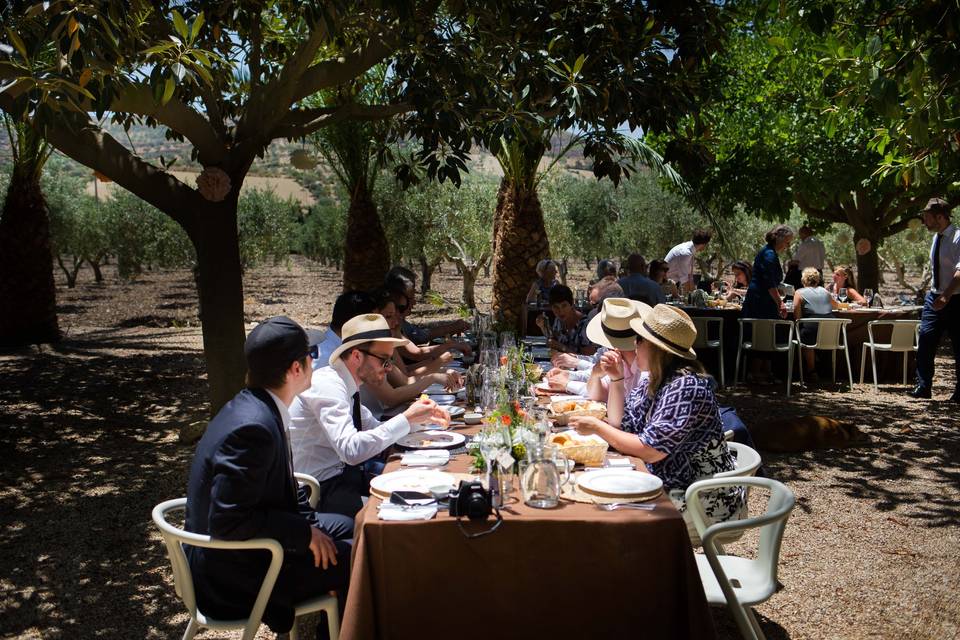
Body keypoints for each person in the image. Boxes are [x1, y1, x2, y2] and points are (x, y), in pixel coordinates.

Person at [185, 316, 353, 636]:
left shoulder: (259, 406)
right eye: (311, 355)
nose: (314, 361)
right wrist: (304, 535)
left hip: (247, 551)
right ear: (296, 369)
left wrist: (309, 526)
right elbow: (228, 521)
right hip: (233, 576)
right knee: (360, 557)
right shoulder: (254, 428)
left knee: (348, 526)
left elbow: (283, 485)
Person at [568, 304, 744, 538]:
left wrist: (597, 427)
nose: (634, 345)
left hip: (703, 498)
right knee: (597, 504)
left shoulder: (686, 386)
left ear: (656, 348)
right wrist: (617, 379)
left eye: (639, 340)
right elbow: (621, 423)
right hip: (668, 483)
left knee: (611, 522)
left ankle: (649, 573)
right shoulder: (654, 379)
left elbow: (651, 451)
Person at [289, 314, 451, 517]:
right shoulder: (328, 385)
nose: (389, 367)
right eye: (384, 360)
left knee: (420, 488)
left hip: (344, 478)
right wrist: (407, 419)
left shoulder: (347, 384)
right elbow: (351, 450)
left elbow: (374, 428)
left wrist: (420, 421)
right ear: (356, 356)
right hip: (317, 492)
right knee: (404, 513)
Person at [361, 290, 463, 415]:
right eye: (388, 316)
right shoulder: (366, 353)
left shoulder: (383, 344)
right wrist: (435, 371)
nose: (397, 321)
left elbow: (404, 375)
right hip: (380, 421)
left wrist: (441, 371)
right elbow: (393, 396)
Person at [909, 198, 960, 402]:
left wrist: (946, 295)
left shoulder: (958, 237)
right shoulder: (936, 238)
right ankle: (923, 386)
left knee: (958, 344)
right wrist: (935, 294)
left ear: (940, 216)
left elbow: (959, 272)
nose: (924, 221)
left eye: (927, 217)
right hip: (934, 296)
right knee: (926, 338)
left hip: (956, 299)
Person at [742, 224, 794, 382]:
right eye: (787, 241)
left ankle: (766, 371)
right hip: (761, 301)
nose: (788, 245)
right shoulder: (769, 255)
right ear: (779, 238)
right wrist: (781, 303)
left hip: (764, 300)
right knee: (762, 334)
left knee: (768, 334)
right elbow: (769, 284)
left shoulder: (769, 253)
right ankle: (756, 373)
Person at [385, 266, 469, 344]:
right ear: (396, 298)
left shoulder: (400, 322)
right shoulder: (390, 325)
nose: (414, 302)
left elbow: (418, 334)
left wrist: (452, 328)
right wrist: (452, 332)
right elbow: (416, 349)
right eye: (410, 298)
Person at [793, 267, 839, 381]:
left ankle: (811, 370)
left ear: (803, 280)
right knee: (812, 331)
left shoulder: (799, 292)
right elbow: (836, 305)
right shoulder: (825, 291)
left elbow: (797, 317)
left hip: (811, 329)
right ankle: (825, 370)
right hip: (831, 332)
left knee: (804, 332)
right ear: (818, 280)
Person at [313, 290, 377, 369]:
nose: (376, 327)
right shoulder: (326, 359)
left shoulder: (345, 348)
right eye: (372, 321)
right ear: (355, 321)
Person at [536, 284, 596, 355]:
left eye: (564, 306)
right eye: (556, 307)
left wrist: (562, 347)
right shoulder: (559, 320)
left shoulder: (585, 326)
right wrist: (543, 327)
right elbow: (553, 341)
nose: (560, 311)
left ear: (571, 304)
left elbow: (588, 361)